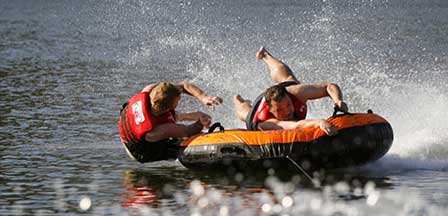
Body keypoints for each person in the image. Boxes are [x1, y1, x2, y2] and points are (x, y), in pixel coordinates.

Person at [233, 47, 348, 135]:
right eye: (280, 110)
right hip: (256, 112)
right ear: (271, 110)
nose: (287, 111)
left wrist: (338, 101)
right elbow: (296, 125)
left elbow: (329, 86)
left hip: (280, 90)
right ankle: (238, 99)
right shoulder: (268, 123)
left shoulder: (296, 93)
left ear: (289, 97)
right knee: (244, 112)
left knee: (288, 78)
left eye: (288, 105)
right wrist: (319, 122)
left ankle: (265, 55)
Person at [118, 82, 223, 163]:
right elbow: (188, 131)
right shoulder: (156, 131)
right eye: (178, 101)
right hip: (140, 150)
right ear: (170, 107)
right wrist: (200, 123)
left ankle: (193, 115)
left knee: (173, 118)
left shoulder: (149, 89)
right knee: (178, 143)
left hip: (129, 121)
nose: (180, 100)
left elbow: (184, 86)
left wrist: (204, 98)